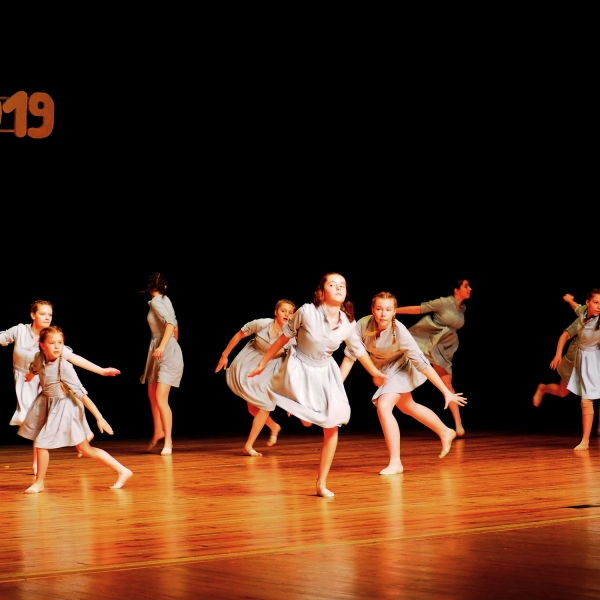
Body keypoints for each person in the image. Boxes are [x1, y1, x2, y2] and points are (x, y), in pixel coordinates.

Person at [248, 272, 388, 498]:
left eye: (342, 285)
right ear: (322, 292)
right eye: (333, 284)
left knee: (332, 425)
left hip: (324, 371)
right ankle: (302, 410)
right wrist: (263, 362)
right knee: (305, 419)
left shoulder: (347, 322)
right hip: (299, 367)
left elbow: (358, 350)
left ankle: (321, 483)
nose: (339, 288)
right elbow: (283, 337)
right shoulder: (306, 312)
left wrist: (374, 372)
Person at [339, 292, 467, 475]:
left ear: (394, 312)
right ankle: (445, 431)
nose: (383, 314)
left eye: (388, 309)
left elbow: (422, 364)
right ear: (372, 310)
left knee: (384, 406)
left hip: (403, 366)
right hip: (384, 369)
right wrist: (336, 386)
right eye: (379, 309)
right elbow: (350, 358)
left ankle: (396, 462)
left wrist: (445, 391)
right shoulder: (362, 325)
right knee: (408, 406)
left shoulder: (399, 331)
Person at [1, 300, 121, 473]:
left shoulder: (51, 339)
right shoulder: (20, 331)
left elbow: (74, 358)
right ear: (33, 315)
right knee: (30, 421)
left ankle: (38, 463)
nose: (47, 317)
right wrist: (31, 374)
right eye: (43, 314)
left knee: (40, 421)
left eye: (50, 314)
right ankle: (82, 434)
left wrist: (101, 371)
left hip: (47, 382)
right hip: (25, 381)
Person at [18, 326, 132, 493]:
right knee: (84, 449)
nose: (57, 346)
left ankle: (39, 483)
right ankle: (123, 470)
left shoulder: (63, 366)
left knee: (41, 444)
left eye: (60, 343)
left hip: (65, 407)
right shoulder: (39, 357)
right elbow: (36, 367)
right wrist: (30, 375)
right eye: (52, 343)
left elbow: (82, 394)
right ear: (42, 345)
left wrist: (99, 417)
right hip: (48, 403)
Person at [215, 299, 296, 456]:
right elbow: (239, 335)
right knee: (253, 408)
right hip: (250, 361)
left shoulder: (292, 337)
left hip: (271, 368)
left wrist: (290, 396)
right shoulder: (262, 324)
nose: (287, 314)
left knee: (266, 404)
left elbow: (292, 365)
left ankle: (248, 445)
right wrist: (224, 356)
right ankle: (274, 427)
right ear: (276, 312)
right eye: (283, 311)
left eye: (290, 312)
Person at [395, 279, 471, 436]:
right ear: (456, 290)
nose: (469, 288)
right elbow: (419, 309)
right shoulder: (443, 302)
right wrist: (393, 311)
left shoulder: (462, 308)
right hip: (426, 341)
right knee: (405, 367)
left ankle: (458, 424)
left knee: (447, 383)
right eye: (466, 286)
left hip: (444, 347)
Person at [535, 289, 600, 451]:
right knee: (562, 392)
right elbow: (575, 310)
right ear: (588, 303)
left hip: (592, 360)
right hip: (574, 358)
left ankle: (585, 440)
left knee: (587, 399)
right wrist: (569, 299)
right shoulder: (582, 313)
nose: (599, 306)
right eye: (596, 302)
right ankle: (543, 388)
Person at [140, 273, 183, 456]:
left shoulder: (157, 302)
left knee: (160, 397)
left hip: (163, 350)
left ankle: (168, 442)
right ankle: (158, 430)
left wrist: (165, 347)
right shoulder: (165, 299)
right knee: (152, 393)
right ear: (164, 287)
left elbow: (171, 324)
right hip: (162, 349)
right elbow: (175, 326)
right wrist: (173, 345)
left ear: (150, 287)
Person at [533, 294, 583, 408]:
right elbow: (566, 334)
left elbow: (577, 307)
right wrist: (558, 354)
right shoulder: (585, 318)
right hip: (574, 361)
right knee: (562, 392)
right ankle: (543, 388)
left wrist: (570, 300)